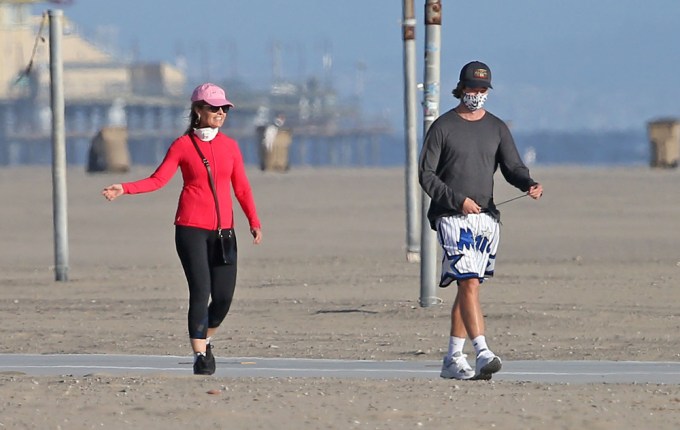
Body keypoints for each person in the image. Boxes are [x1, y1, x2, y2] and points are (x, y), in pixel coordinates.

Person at [102, 82, 263, 375]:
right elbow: (157, 180)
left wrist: (254, 221)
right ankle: (200, 356)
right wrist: (124, 188)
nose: (220, 113)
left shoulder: (230, 147)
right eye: (214, 108)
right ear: (198, 110)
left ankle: (205, 339)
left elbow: (241, 188)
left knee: (224, 297)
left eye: (224, 108)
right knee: (200, 292)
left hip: (224, 232)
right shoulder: (182, 145)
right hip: (190, 230)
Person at [418, 61, 543, 380]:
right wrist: (458, 200)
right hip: (451, 217)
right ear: (461, 89)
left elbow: (512, 166)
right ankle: (483, 351)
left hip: (486, 218)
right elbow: (426, 174)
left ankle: (452, 358)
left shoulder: (497, 127)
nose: (477, 95)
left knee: (468, 287)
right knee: (469, 281)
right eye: (472, 89)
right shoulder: (443, 127)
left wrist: (528, 183)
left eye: (482, 90)